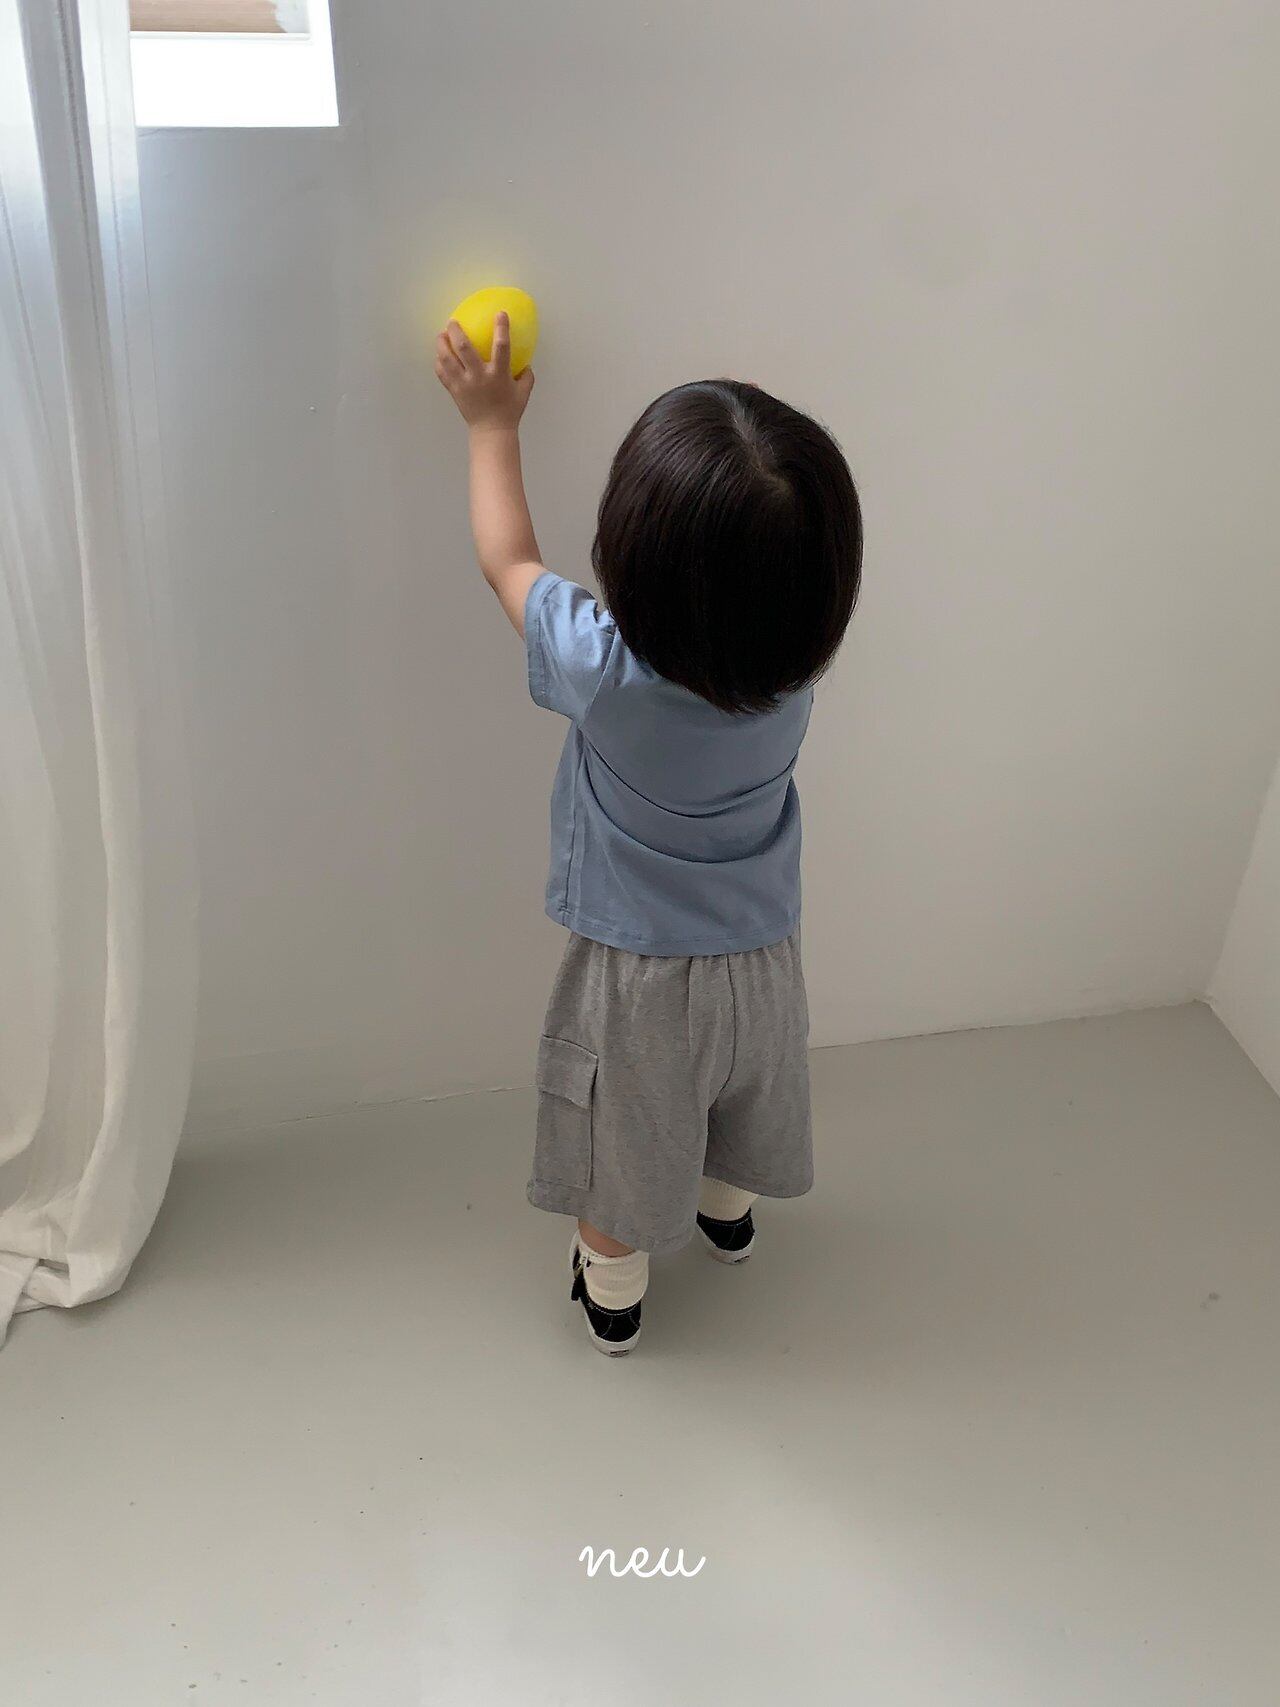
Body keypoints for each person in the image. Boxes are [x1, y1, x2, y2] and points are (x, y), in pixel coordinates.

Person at [435, 312, 862, 1355]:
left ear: (633, 558)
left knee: (620, 1145)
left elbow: (506, 558)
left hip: (639, 982)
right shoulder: (791, 681)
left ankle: (614, 1291)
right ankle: (727, 1216)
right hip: (763, 958)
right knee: (739, 1102)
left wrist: (490, 424)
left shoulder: (602, 671)